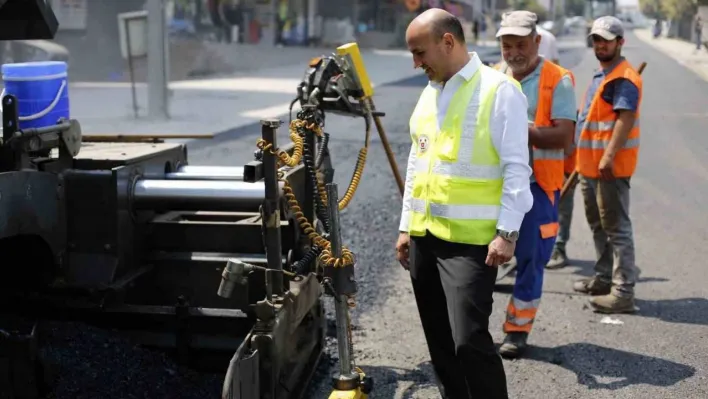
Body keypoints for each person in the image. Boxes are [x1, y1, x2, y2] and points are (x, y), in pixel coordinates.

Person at [395, 8, 533, 399]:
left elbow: (516, 168)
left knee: (468, 341)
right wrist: (406, 227)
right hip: (425, 238)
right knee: (440, 344)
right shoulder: (429, 92)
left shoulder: (498, 90)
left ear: (448, 42)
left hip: (471, 245)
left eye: (420, 52)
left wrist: (507, 232)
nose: (416, 62)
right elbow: (417, 162)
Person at [494, 10, 576, 358]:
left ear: (537, 42)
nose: (513, 53)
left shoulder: (559, 79)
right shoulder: (494, 75)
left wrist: (519, 128)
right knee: (481, 257)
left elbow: (563, 136)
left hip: (537, 188)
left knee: (530, 258)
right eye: (507, 45)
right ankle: (473, 329)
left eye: (521, 45)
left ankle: (517, 329)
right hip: (493, 187)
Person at [572, 16, 642, 313]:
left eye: (606, 40)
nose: (600, 45)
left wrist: (607, 157)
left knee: (616, 229)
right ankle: (602, 278)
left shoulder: (622, 77)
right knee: (598, 225)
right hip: (589, 167)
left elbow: (624, 120)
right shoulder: (603, 74)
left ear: (620, 42)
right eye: (596, 40)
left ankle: (623, 292)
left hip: (607, 169)